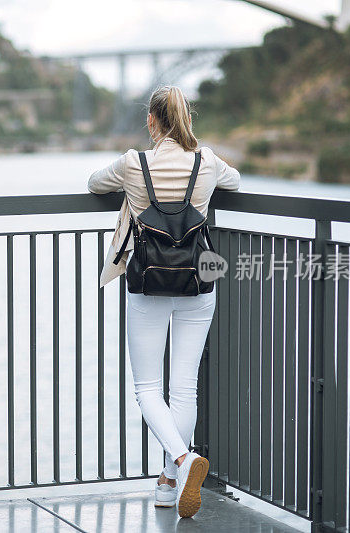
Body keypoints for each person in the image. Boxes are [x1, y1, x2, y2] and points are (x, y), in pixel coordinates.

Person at [87, 85, 240, 518]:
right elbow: (237, 181)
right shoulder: (206, 160)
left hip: (148, 281)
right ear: (186, 118)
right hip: (198, 280)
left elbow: (93, 184)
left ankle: (181, 462)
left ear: (152, 121)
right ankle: (168, 485)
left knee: (147, 389)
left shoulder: (133, 163)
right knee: (184, 387)